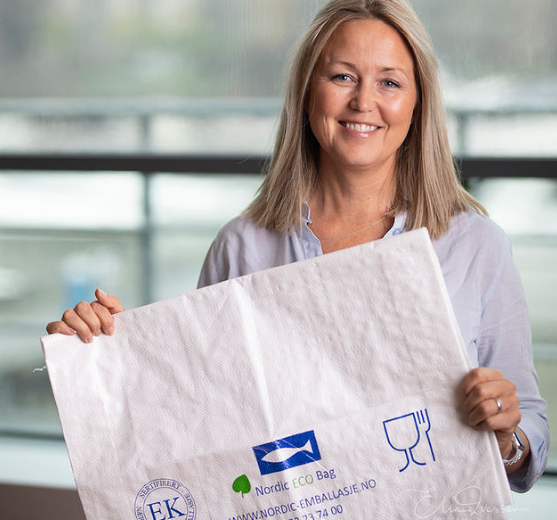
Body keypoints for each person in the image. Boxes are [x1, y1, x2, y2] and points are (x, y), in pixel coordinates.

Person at [47, 0, 548, 493]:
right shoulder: (241, 247)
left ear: (418, 105)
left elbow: (530, 436)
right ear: (308, 92)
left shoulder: (477, 246)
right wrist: (109, 355)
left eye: (390, 83)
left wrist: (507, 439)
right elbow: (201, 421)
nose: (363, 102)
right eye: (342, 77)